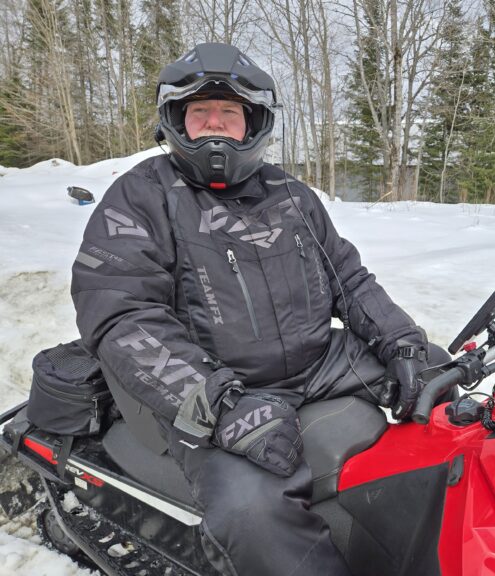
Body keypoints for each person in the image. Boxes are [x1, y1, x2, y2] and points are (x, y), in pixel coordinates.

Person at [71, 42, 450, 576]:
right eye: (200, 113)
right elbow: (120, 315)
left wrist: (401, 340)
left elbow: (350, 278)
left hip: (317, 363)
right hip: (211, 390)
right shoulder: (141, 197)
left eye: (230, 113)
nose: (216, 125)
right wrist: (222, 405)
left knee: (435, 370)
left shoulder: (292, 194)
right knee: (250, 509)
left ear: (254, 124)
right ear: (176, 122)